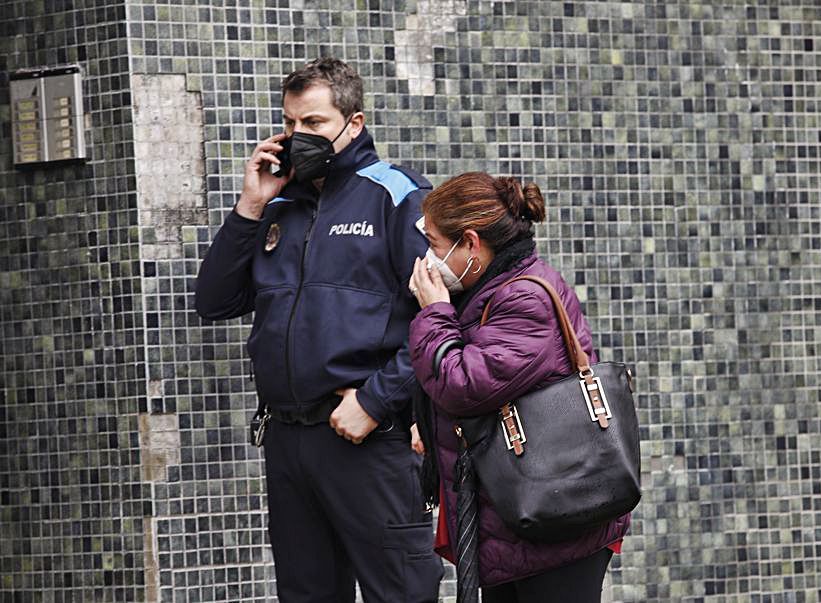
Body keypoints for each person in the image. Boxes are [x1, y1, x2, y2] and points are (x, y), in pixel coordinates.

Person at [194, 57, 444, 602]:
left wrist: (378, 401)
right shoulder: (280, 203)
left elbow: (445, 317)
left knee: (401, 593)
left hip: (367, 440)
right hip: (287, 440)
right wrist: (250, 205)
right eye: (288, 124)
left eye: (313, 124)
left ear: (353, 124)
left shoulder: (397, 194)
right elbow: (213, 301)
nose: (295, 137)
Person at [406, 172, 631, 603]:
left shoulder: (523, 298)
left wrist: (435, 312)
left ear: (471, 244)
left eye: (434, 244)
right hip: (517, 519)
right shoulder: (485, 291)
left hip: (558, 525)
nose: (427, 258)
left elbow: (462, 385)